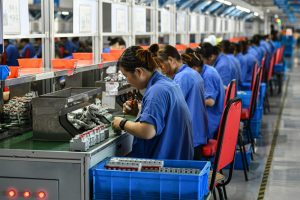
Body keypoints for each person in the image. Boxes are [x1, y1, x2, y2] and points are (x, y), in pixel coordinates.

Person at [111, 46, 194, 160]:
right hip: (176, 156)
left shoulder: (156, 91)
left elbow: (147, 131)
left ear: (139, 72)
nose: (127, 80)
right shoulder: (166, 83)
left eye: (126, 76)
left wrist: (122, 123)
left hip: (165, 165)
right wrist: (140, 113)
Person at [149, 44, 208, 160]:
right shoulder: (191, 73)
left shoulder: (181, 78)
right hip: (198, 133)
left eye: (161, 65)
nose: (161, 69)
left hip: (190, 138)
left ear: (170, 60)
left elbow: (168, 108)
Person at [182, 49, 225, 139]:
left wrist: (192, 100)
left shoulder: (208, 75)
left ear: (194, 68)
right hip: (212, 115)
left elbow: (210, 101)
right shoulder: (207, 69)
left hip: (210, 120)